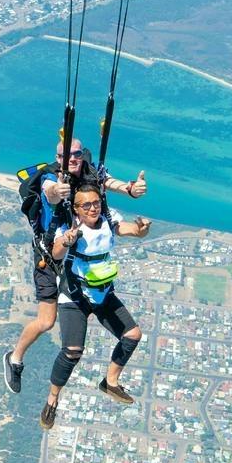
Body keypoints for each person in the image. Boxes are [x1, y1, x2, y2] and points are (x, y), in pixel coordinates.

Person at [3, 138, 147, 393]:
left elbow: (108, 182)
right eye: (65, 155)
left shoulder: (90, 171)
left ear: (82, 155)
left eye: (77, 154)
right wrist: (58, 192)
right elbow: (50, 191)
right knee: (46, 322)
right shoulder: (50, 177)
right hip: (51, 255)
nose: (72, 159)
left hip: (75, 255)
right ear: (57, 158)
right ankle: (14, 358)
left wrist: (131, 189)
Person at [39, 182, 152, 429]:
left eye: (96, 203)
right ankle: (52, 399)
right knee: (72, 351)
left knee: (132, 335)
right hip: (75, 296)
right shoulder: (70, 227)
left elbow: (130, 230)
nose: (93, 208)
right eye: (86, 205)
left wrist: (142, 230)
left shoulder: (108, 219)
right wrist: (67, 240)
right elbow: (56, 253)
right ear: (77, 209)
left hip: (101, 293)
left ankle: (110, 381)